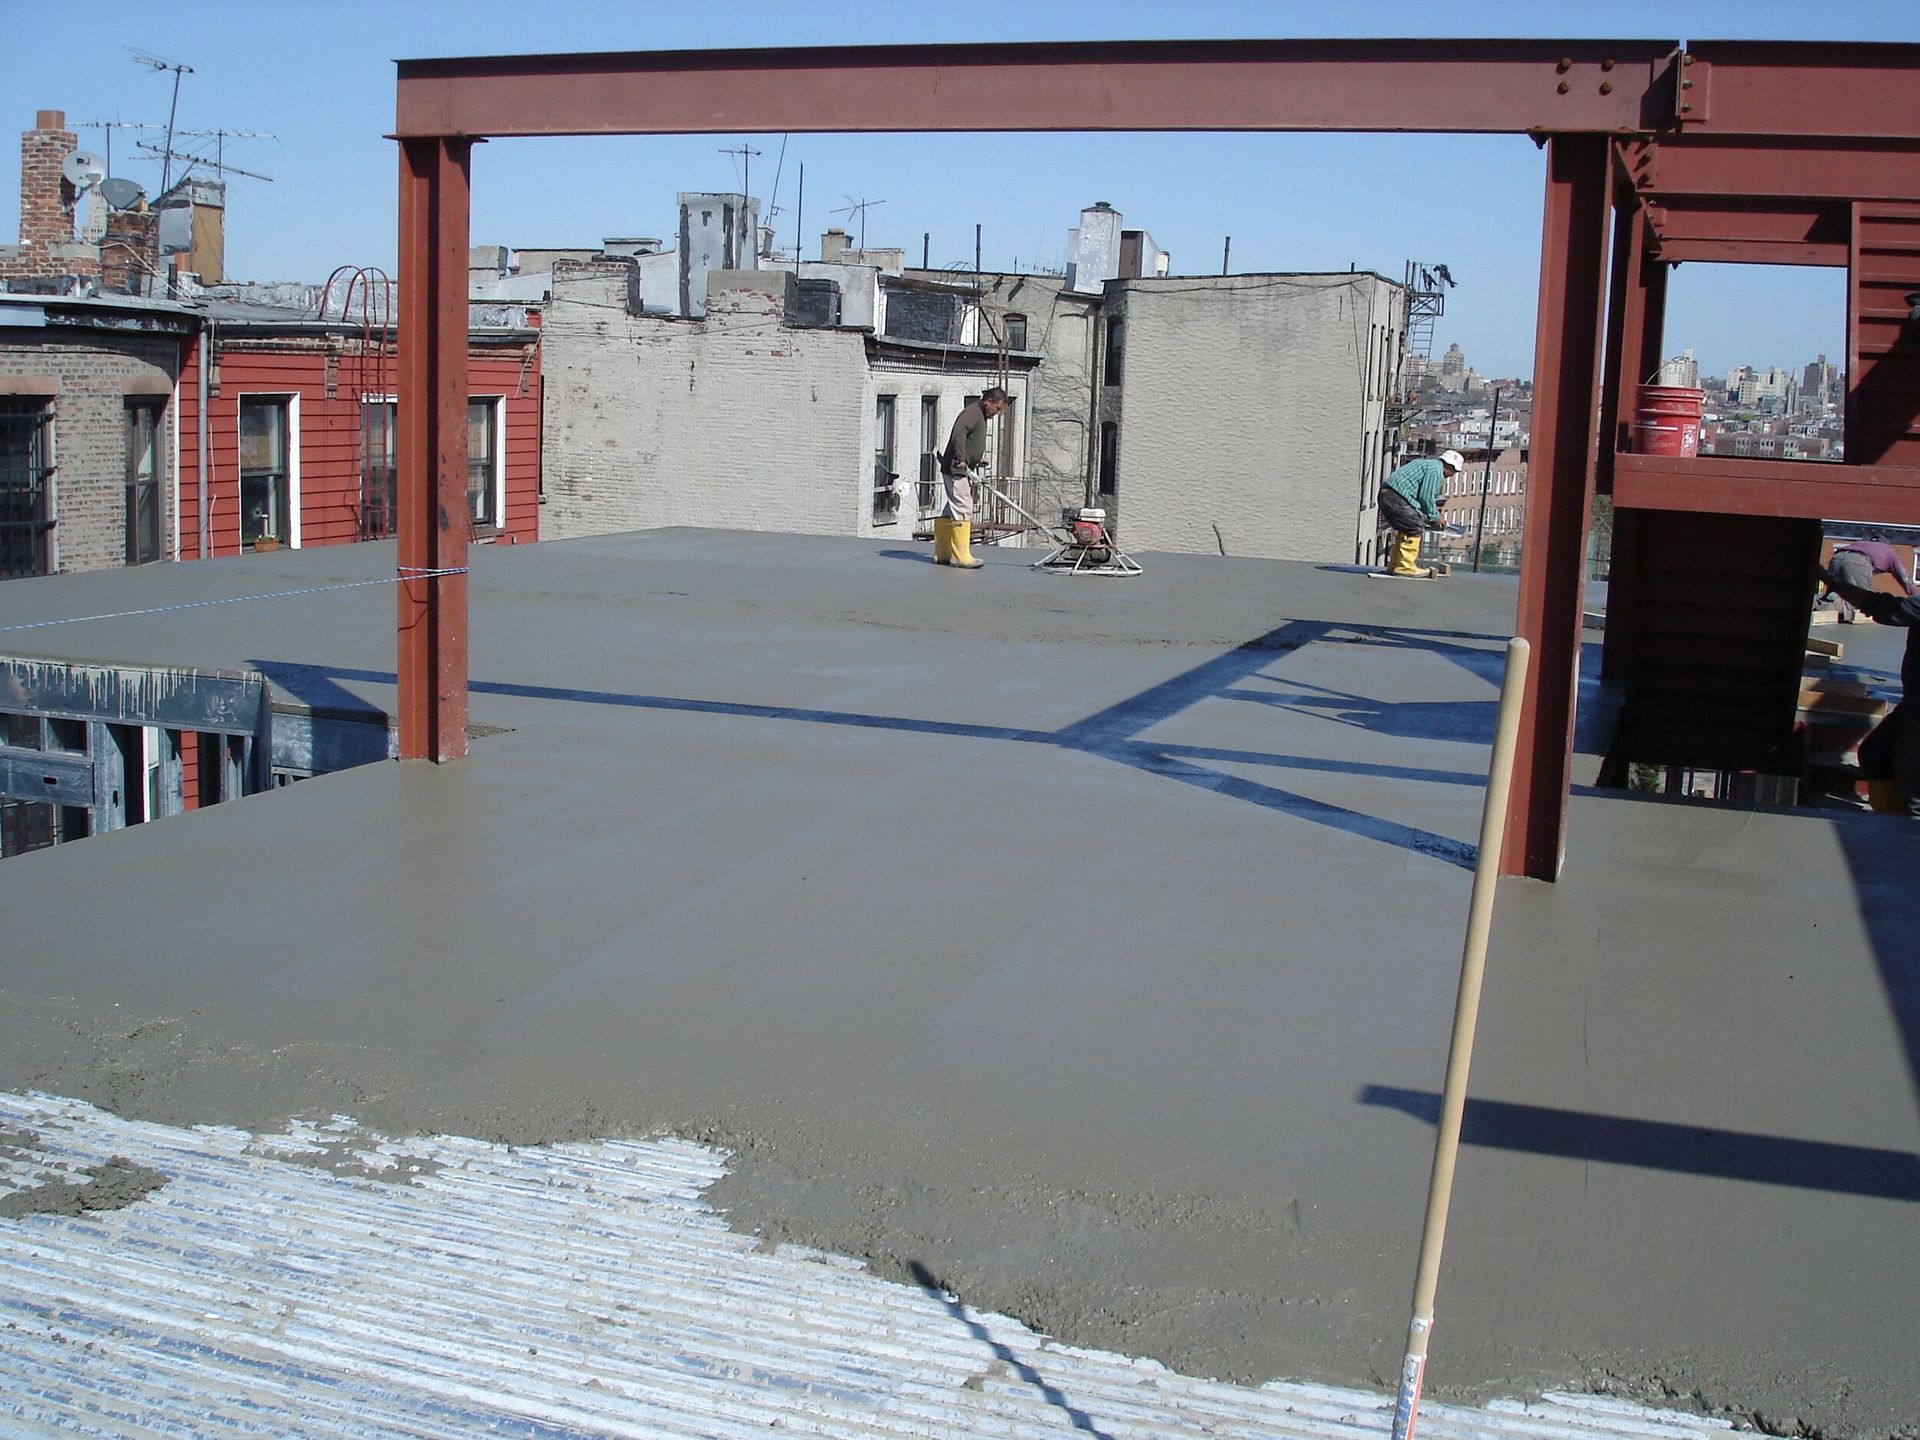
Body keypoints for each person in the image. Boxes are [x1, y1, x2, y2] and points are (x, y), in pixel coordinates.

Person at [1822, 567, 1919, 816]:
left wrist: (1832, 582)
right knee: (1875, 753)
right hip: (1913, 704)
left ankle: (1906, 834)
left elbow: (1881, 607)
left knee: (1914, 784)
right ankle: (1892, 820)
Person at [933, 387, 1007, 569]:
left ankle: (943, 553)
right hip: (956, 469)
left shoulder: (980, 415)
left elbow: (970, 439)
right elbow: (959, 432)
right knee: (964, 506)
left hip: (961, 467)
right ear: (988, 401)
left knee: (952, 508)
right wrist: (960, 458)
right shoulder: (973, 412)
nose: (996, 413)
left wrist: (975, 458)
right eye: (996, 408)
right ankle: (959, 556)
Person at [1377, 449, 1465, 577]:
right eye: (1454, 471)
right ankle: (1405, 567)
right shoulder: (1435, 471)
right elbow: (1426, 497)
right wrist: (1435, 517)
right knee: (1414, 528)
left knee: (1406, 529)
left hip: (1387, 496)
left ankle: (1395, 565)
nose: (1452, 475)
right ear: (1449, 466)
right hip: (1397, 497)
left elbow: (1418, 499)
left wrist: (1431, 515)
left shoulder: (1425, 464)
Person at [1822, 539, 1916, 623]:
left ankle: (1819, 603)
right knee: (1862, 600)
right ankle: (1832, 607)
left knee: (1836, 588)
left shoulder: (1862, 544)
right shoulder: (1889, 552)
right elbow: (1905, 578)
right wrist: (1916, 602)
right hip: (1857, 562)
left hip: (1836, 558)